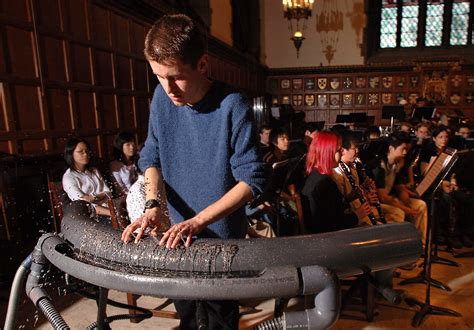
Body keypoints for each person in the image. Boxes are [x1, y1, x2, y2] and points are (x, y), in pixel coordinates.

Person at [120, 14, 265, 329]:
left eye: (175, 76)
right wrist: (153, 206)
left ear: (202, 64)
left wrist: (198, 222)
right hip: (175, 235)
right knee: (187, 318)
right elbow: (151, 157)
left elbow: (251, 181)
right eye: (159, 76)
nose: (168, 87)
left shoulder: (232, 105)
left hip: (221, 241)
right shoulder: (162, 98)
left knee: (220, 322)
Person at [332, 131, 404, 225]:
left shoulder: (354, 165)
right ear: (343, 150)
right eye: (355, 148)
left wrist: (366, 190)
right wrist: (365, 197)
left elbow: (356, 191)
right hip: (355, 213)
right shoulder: (338, 172)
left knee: (397, 214)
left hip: (362, 207)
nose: (358, 151)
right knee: (391, 222)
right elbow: (345, 203)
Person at [371, 133, 428, 244]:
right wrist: (406, 209)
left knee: (420, 205)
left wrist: (408, 204)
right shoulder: (379, 165)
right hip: (377, 201)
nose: (405, 152)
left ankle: (419, 243)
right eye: (403, 149)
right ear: (391, 148)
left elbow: (400, 188)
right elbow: (382, 197)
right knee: (398, 212)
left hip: (391, 198)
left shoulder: (396, 163)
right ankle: (401, 246)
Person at [300, 131, 358, 234]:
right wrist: (357, 215)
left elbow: (330, 209)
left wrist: (349, 198)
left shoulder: (316, 175)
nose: (341, 153)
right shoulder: (324, 183)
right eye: (338, 150)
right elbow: (331, 226)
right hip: (329, 241)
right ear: (327, 152)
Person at [62, 137, 112, 218]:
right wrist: (112, 213)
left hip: (109, 209)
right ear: (71, 154)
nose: (85, 154)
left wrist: (93, 197)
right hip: (92, 217)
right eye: (80, 152)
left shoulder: (94, 170)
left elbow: (109, 193)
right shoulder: (69, 177)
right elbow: (85, 206)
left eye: (87, 151)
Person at [109, 131, 139, 196]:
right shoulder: (115, 165)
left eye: (133, 143)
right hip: (127, 197)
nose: (132, 147)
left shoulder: (137, 160)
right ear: (120, 146)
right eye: (128, 144)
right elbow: (119, 188)